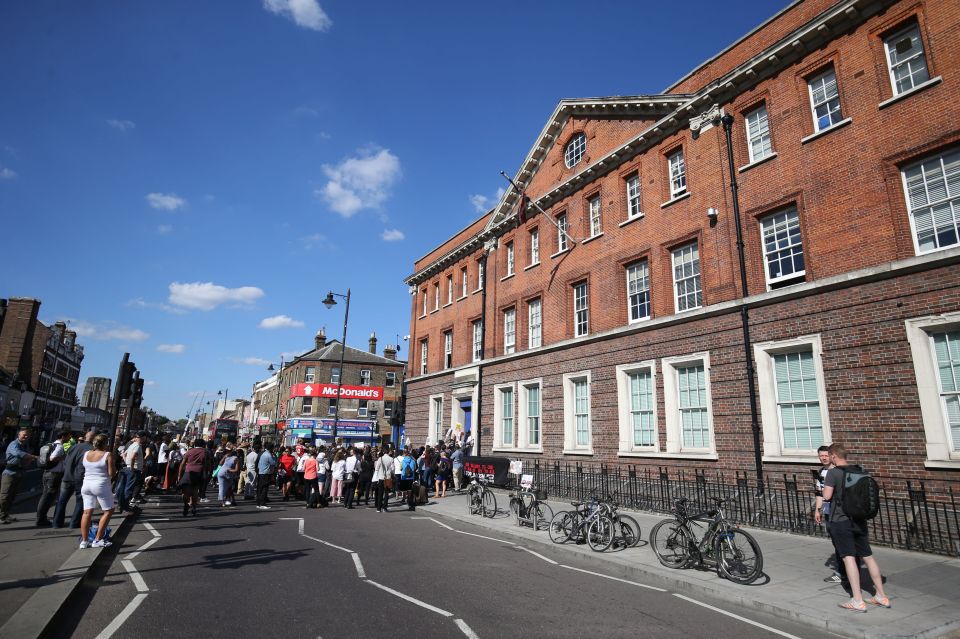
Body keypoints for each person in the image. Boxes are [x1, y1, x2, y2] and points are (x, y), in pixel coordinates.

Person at [822, 443, 890, 612]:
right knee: (867, 556)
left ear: (834, 456)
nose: (829, 459)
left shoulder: (833, 472)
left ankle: (857, 600)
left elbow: (827, 496)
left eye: (830, 456)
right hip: (859, 520)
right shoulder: (860, 471)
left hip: (840, 520)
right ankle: (881, 595)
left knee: (849, 558)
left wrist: (825, 489)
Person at [814, 444, 845, 585]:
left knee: (841, 543)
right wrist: (817, 509)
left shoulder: (837, 471)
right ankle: (842, 570)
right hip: (827, 511)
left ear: (832, 455)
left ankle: (842, 572)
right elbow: (819, 493)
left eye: (826, 455)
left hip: (838, 512)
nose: (824, 458)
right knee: (836, 542)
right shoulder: (821, 472)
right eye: (821, 456)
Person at [79, 434, 116, 548]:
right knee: (108, 510)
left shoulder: (86, 454)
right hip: (101, 485)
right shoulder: (107, 455)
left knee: (86, 512)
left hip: (86, 485)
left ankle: (84, 541)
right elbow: (111, 474)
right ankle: (97, 540)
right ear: (105, 443)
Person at [53, 430, 95, 529]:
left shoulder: (74, 446)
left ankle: (56, 523)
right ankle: (74, 523)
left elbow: (66, 461)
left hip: (67, 476)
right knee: (80, 501)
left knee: (62, 501)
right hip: (80, 478)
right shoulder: (92, 449)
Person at [1, 428, 38, 524]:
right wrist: (32, 456)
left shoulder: (24, 446)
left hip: (18, 473)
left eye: (27, 435)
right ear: (18, 435)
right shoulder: (14, 444)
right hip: (9, 473)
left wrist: (29, 460)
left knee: (12, 496)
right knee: (5, 496)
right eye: (24, 435)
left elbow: (24, 461)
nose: (26, 437)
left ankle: (5, 514)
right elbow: (18, 453)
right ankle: (1, 515)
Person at [36, 429, 70, 527]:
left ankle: (41, 517)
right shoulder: (59, 446)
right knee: (48, 497)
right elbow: (52, 458)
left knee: (45, 495)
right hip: (54, 475)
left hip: (47, 473)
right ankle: (41, 519)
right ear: (63, 437)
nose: (69, 438)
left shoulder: (51, 444)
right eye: (68, 436)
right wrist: (64, 457)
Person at [114, 432, 144, 514]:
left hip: (127, 468)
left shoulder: (132, 445)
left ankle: (121, 505)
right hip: (133, 470)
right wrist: (131, 466)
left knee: (123, 488)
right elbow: (133, 456)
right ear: (142, 437)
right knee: (128, 489)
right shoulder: (137, 446)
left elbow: (123, 454)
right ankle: (125, 507)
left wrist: (127, 462)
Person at [177, 439, 207, 517]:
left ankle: (186, 504)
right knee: (195, 491)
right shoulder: (205, 452)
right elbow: (207, 464)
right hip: (199, 473)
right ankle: (193, 507)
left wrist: (179, 475)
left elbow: (182, 464)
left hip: (188, 473)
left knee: (185, 492)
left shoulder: (189, 451)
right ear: (203, 445)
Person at [256, 442, 277, 510]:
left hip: (261, 472)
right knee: (264, 488)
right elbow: (273, 463)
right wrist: (274, 456)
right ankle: (262, 503)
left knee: (260, 488)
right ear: (271, 448)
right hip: (266, 473)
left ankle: (259, 503)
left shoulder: (263, 454)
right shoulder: (268, 455)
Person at [373, 447, 394, 513]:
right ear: (388, 452)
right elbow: (393, 469)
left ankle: (378, 508)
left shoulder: (380, 458)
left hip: (381, 477)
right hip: (388, 478)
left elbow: (377, 468)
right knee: (386, 493)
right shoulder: (391, 459)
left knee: (380, 493)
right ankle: (385, 507)